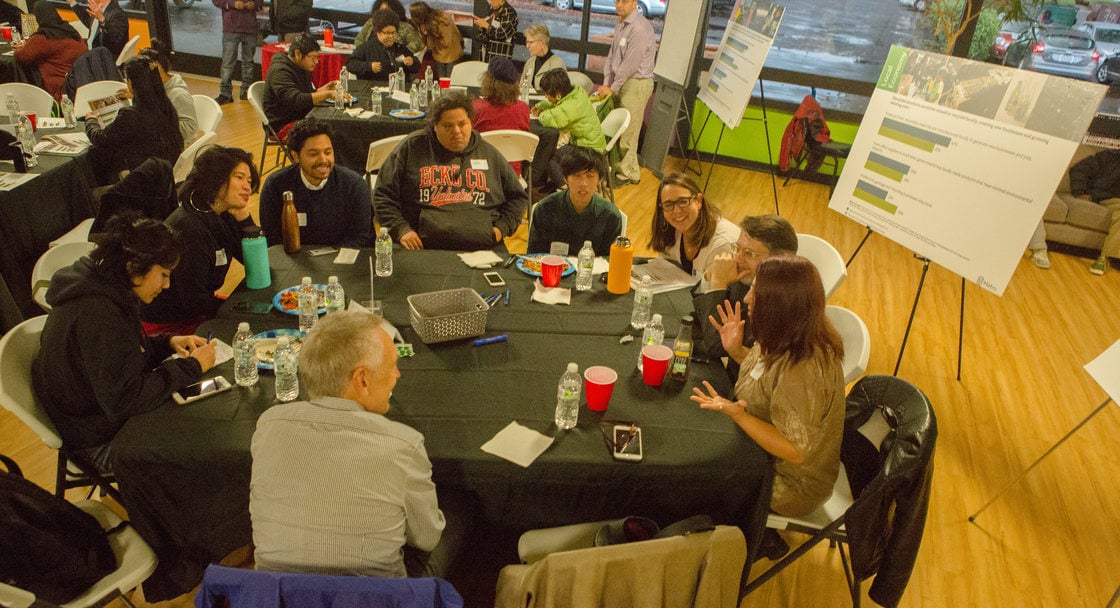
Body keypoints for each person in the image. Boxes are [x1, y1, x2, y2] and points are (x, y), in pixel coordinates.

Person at [250, 310, 466, 579]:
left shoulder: (268, 424)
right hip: (373, 598)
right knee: (459, 510)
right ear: (362, 379)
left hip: (277, 595)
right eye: (392, 366)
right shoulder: (403, 445)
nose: (397, 375)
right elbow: (426, 539)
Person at [31, 214, 217, 474]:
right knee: (206, 440)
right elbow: (124, 400)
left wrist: (168, 343)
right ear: (134, 266)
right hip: (99, 442)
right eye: (163, 275)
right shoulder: (98, 315)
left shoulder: (106, 287)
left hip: (99, 419)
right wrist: (191, 367)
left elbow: (123, 355)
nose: (166, 285)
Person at [691, 255, 845, 519]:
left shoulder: (803, 368)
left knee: (695, 475)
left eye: (756, 293)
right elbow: (770, 381)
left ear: (779, 305)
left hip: (788, 484)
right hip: (760, 452)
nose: (748, 299)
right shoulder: (788, 330)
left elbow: (795, 451)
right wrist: (737, 350)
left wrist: (739, 415)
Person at [374, 92, 528, 251]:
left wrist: (500, 230)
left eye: (462, 124)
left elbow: (518, 198)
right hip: (421, 245)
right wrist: (401, 230)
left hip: (483, 245)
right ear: (435, 126)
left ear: (471, 123)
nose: (457, 131)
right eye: (448, 126)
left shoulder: (488, 153)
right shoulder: (411, 148)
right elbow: (382, 195)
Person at [143, 147, 260, 334]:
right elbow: (193, 300)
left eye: (249, 181)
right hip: (171, 323)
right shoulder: (189, 228)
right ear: (216, 178)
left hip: (198, 309)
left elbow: (257, 264)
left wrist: (244, 218)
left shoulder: (221, 214)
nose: (247, 186)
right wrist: (236, 308)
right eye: (239, 177)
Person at [692, 214, 798, 374]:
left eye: (749, 253)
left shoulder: (783, 306)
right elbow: (701, 317)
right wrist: (710, 276)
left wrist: (718, 283)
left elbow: (716, 344)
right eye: (737, 248)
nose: (737, 258)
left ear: (778, 259)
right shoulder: (745, 276)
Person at [259, 118, 372, 249]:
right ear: (295, 156)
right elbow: (272, 239)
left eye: (328, 152)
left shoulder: (354, 185)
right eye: (314, 154)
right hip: (293, 260)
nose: (323, 160)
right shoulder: (275, 186)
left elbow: (359, 236)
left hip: (340, 260)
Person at [85, 56, 183, 186]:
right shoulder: (166, 105)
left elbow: (100, 138)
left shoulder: (131, 114)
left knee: (98, 159)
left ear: (130, 83)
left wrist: (91, 121)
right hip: (163, 177)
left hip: (141, 181)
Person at [595, 0, 656, 188]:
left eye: (624, 1)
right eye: (617, 1)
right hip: (621, 82)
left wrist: (612, 88)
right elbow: (612, 56)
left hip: (636, 83)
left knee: (629, 130)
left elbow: (630, 65)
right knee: (621, 129)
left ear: (634, 3)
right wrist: (607, 83)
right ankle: (628, 169)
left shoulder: (639, 28)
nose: (619, 5)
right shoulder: (621, 23)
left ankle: (627, 174)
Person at [527, 145, 621, 257]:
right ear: (565, 178)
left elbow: (609, 262)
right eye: (577, 176)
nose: (583, 183)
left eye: (590, 176)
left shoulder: (610, 215)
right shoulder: (545, 209)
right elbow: (534, 257)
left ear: (599, 180)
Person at [648, 172, 740, 279]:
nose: (676, 211)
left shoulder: (722, 245)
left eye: (683, 201)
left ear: (699, 201)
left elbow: (716, 292)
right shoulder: (670, 229)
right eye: (668, 205)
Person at [532, 68, 605, 188]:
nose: (545, 97)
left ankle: (567, 190)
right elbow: (559, 105)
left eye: (547, 94)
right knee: (551, 151)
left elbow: (551, 119)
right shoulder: (576, 92)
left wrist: (541, 114)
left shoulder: (571, 106)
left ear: (558, 95)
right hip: (590, 143)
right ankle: (555, 183)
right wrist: (542, 105)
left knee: (549, 158)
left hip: (590, 150)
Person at [263, 33, 339, 140]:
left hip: (298, 115)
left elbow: (305, 94)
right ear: (298, 54)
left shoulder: (300, 66)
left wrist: (323, 89)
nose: (316, 62)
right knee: (332, 130)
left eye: (317, 58)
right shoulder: (280, 71)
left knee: (334, 124)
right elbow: (296, 100)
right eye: (313, 58)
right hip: (282, 125)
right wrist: (327, 94)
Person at [11, 3, 86, 101]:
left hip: (59, 91)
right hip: (80, 85)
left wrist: (22, 46)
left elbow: (21, 56)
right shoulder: (72, 32)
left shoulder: (44, 37)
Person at [472, 56, 529, 173]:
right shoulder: (523, 109)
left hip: (481, 172)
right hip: (513, 174)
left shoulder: (476, 108)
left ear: (487, 81)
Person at [1068, 149, 1120, 275]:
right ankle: (1104, 257)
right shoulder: (1108, 156)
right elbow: (1079, 169)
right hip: (1107, 197)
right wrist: (1080, 192)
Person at [139, 40, 199, 146]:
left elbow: (190, 127)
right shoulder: (154, 88)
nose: (150, 75)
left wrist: (158, 126)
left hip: (178, 146)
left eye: (154, 70)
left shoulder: (178, 94)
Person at [346, 9, 418, 82]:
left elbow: (417, 67)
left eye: (393, 33)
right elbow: (350, 64)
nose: (391, 36)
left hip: (399, 89)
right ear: (378, 32)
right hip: (373, 89)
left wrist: (412, 62)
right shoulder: (366, 48)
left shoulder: (400, 48)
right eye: (387, 33)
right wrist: (369, 66)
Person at [213, 0, 259, 104]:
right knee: (228, 63)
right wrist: (233, 4)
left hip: (251, 28)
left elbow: (260, 2)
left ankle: (246, 91)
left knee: (248, 62)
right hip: (231, 28)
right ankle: (225, 93)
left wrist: (255, 4)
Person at [410, 2, 463, 79]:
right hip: (440, 54)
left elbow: (446, 42)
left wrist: (428, 34)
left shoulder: (441, 21)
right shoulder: (433, 19)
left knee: (450, 80)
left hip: (451, 52)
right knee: (443, 79)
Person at [353, 0, 424, 55]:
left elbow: (416, 43)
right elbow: (359, 39)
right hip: (369, 60)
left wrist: (401, 54)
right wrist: (364, 52)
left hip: (394, 62)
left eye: (387, 10)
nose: (384, 13)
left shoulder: (405, 27)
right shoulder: (371, 22)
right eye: (381, 10)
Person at [519, 25, 565, 91]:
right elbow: (521, 88)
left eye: (531, 42)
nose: (527, 46)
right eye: (527, 42)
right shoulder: (529, 62)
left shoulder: (557, 64)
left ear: (542, 43)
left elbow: (560, 92)